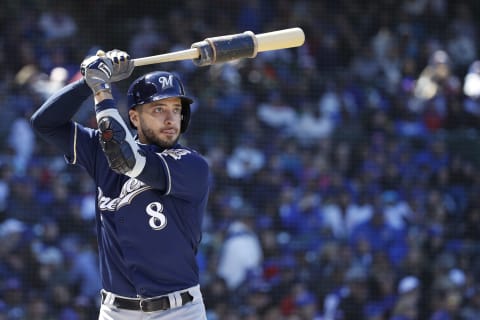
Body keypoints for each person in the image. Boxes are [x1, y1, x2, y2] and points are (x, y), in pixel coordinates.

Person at [30, 49, 210, 319]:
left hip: (178, 311)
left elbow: (126, 159)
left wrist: (102, 89)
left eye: (176, 109)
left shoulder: (191, 165)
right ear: (135, 118)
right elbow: (45, 123)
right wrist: (86, 83)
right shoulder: (100, 151)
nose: (171, 118)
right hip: (115, 311)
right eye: (158, 109)